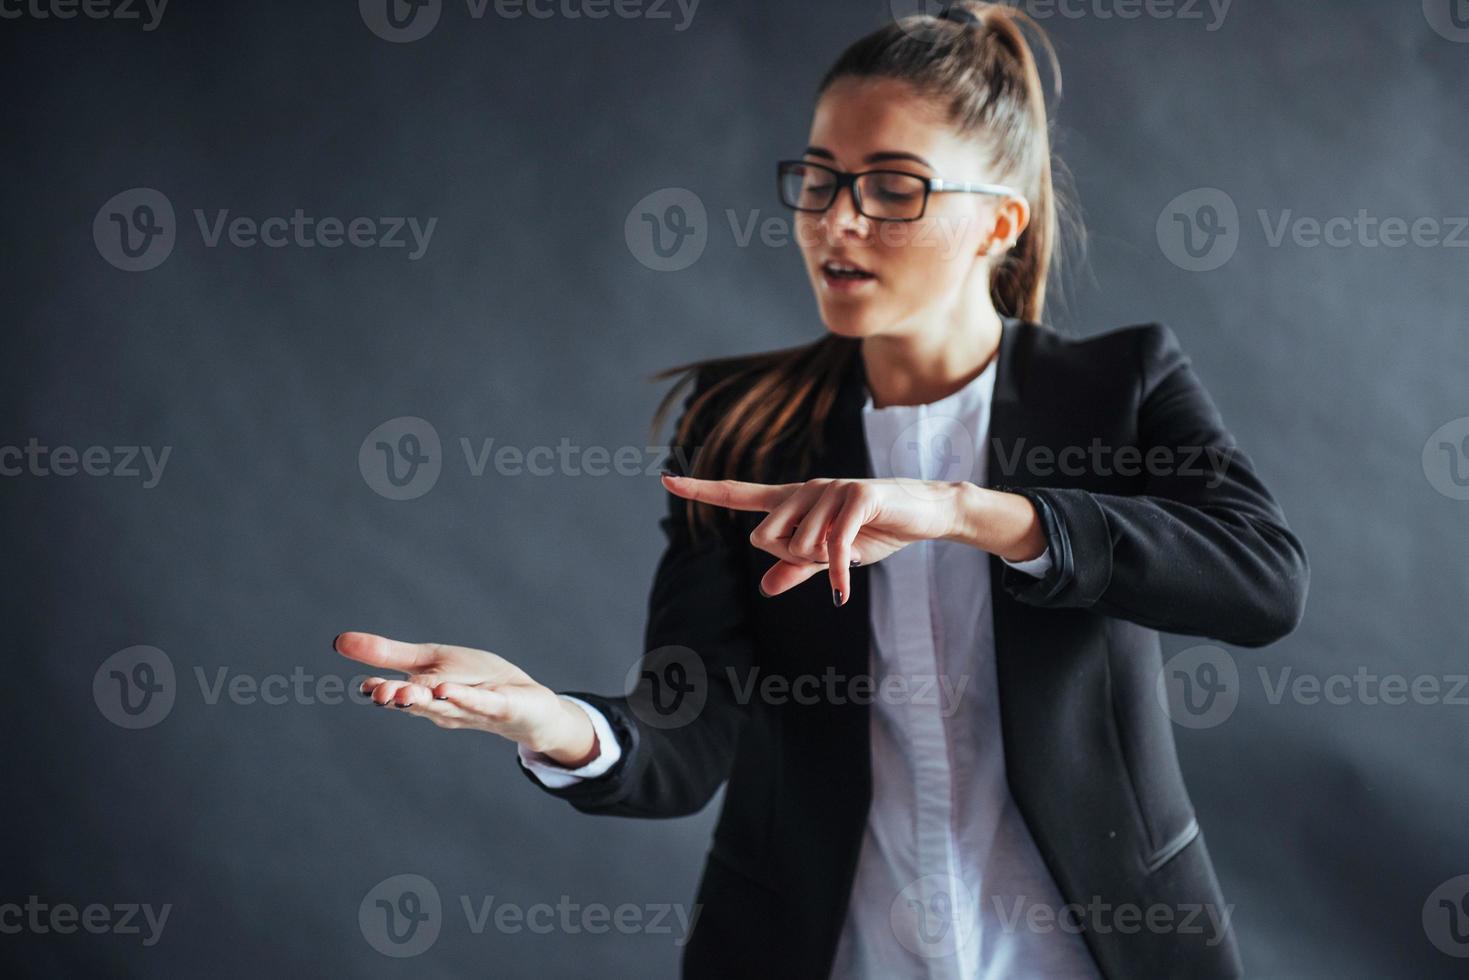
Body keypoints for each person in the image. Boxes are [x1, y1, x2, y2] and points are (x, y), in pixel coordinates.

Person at [334, 3, 1308, 976]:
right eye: (818, 180)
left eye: (891, 187)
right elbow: (687, 726)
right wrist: (552, 722)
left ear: (997, 223)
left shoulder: (1118, 384)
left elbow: (1261, 581)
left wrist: (967, 513)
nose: (835, 218)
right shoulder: (741, 424)